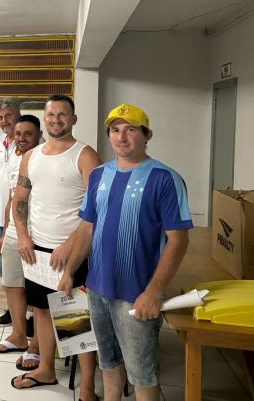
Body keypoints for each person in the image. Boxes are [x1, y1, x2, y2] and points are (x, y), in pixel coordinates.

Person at [59, 104, 191, 401]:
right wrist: (69, 271)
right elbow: (87, 228)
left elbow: (178, 241)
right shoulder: (99, 175)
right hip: (97, 290)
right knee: (108, 364)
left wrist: (153, 292)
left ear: (147, 135)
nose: (121, 137)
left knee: (143, 376)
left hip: (136, 295)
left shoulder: (165, 178)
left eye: (130, 129)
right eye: (115, 130)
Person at [10, 95, 100, 397]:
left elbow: (97, 208)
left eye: (63, 114)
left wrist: (70, 245)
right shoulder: (31, 156)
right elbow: (20, 200)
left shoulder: (84, 155)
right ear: (44, 118)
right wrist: (23, 236)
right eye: (51, 114)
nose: (56, 120)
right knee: (42, 310)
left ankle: (87, 385)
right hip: (36, 250)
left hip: (73, 252)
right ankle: (46, 368)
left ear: (73, 119)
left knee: (75, 318)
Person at [0, 116, 42, 371]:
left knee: (39, 295)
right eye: (18, 134)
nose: (22, 138)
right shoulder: (15, 159)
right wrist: (5, 232)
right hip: (13, 232)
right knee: (11, 283)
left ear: (39, 134)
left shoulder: (43, 159)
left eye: (28, 134)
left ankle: (37, 345)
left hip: (37, 235)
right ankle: (19, 336)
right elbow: (14, 198)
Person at [0, 97, 21, 327]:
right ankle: (13, 310)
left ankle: (29, 314)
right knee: (4, 269)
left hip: (18, 220)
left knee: (21, 269)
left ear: (18, 114)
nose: (4, 121)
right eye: (0, 117)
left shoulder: (29, 142)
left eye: (8, 115)